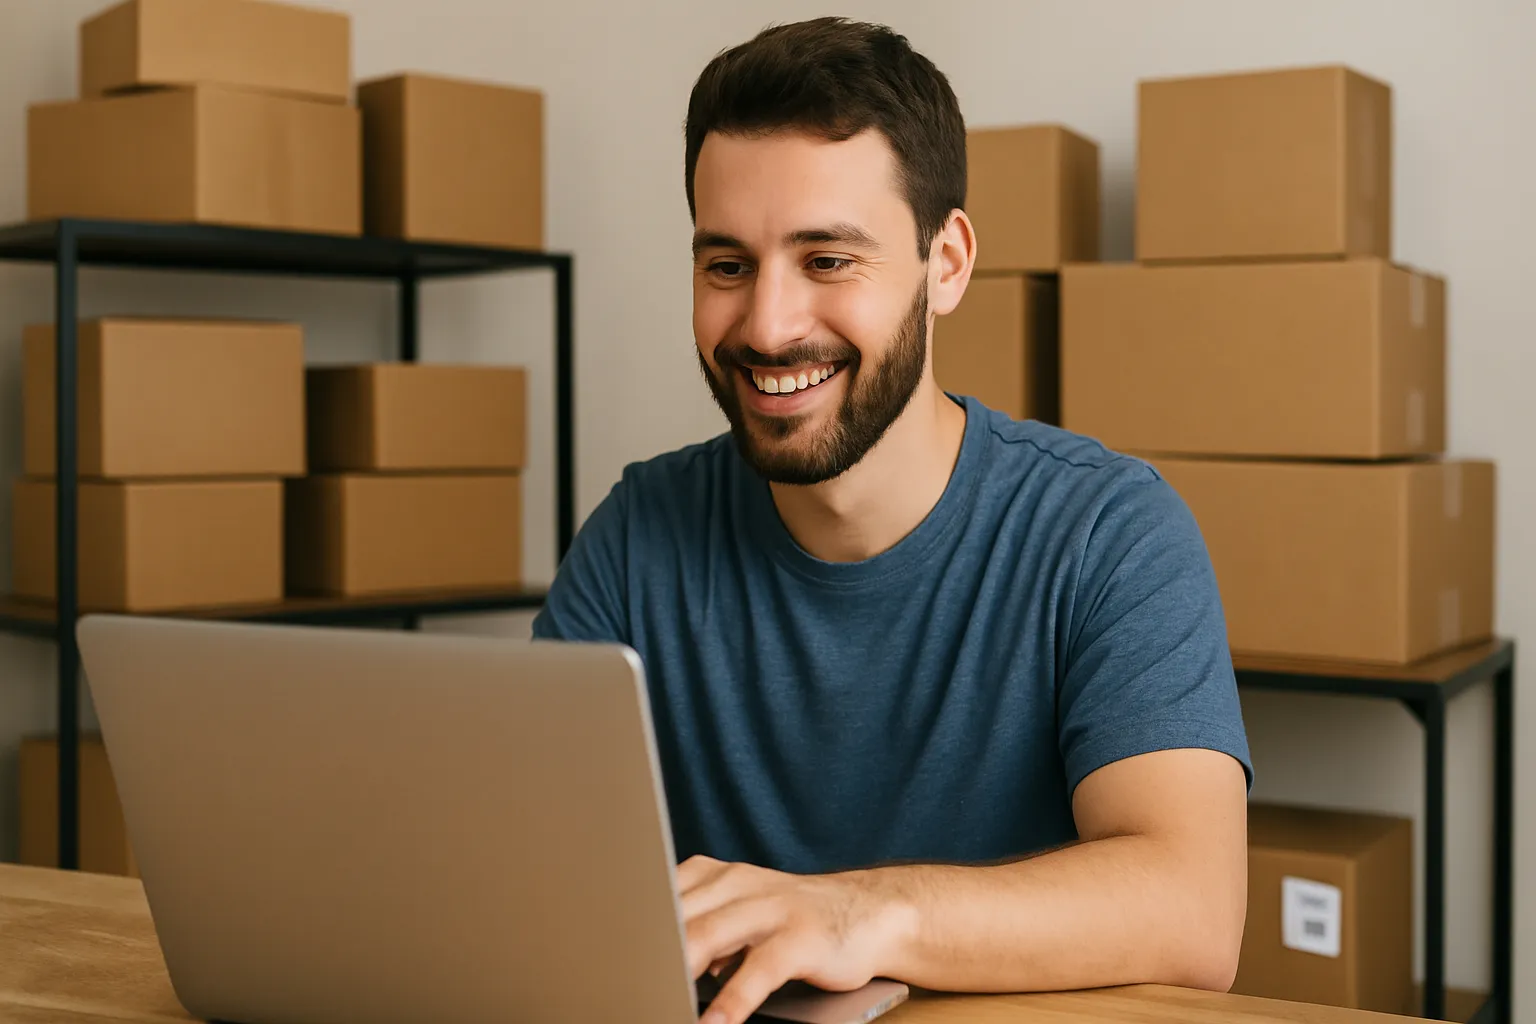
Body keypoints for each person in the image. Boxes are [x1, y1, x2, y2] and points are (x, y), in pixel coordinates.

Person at [533, 16, 1252, 1024]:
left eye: (827, 260)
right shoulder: (636, 532)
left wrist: (858, 914)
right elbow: (526, 869)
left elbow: (1194, 910)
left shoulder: (1110, 532)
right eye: (727, 265)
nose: (769, 324)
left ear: (945, 261)